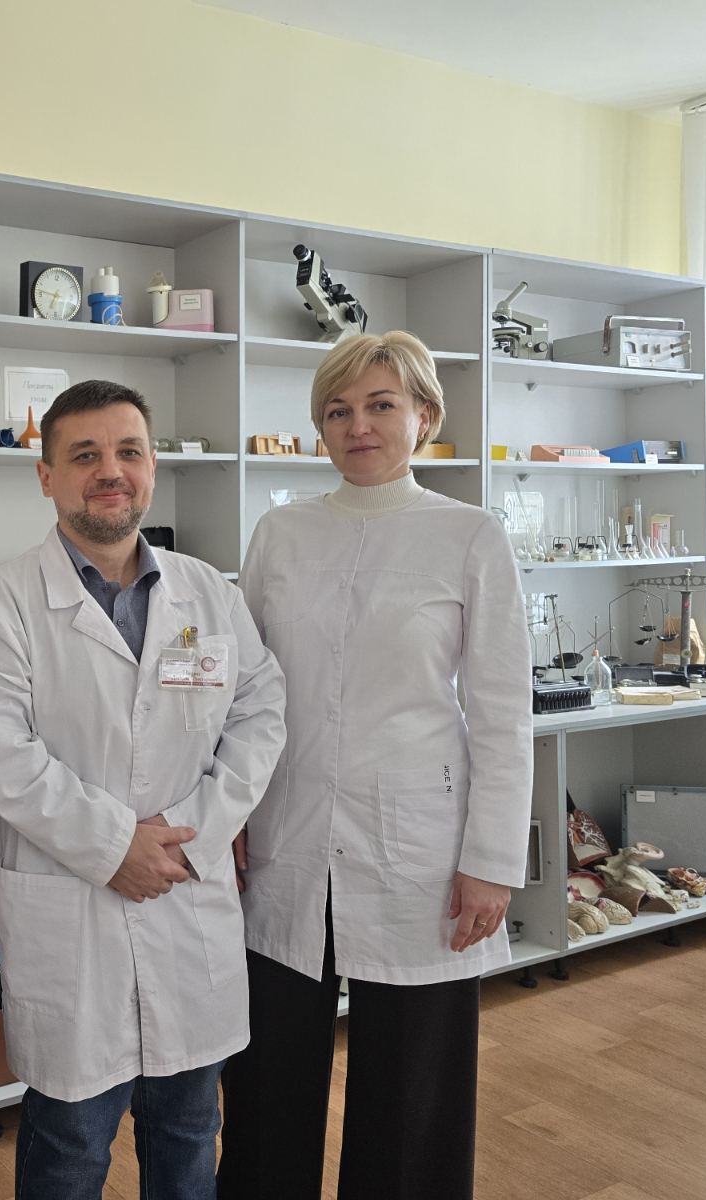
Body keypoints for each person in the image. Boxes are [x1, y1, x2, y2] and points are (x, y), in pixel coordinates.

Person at [0, 379, 287, 1200]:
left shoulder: (209, 593)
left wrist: (193, 831)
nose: (111, 471)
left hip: (185, 894)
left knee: (189, 1134)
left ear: (152, 468)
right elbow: (0, 754)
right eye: (85, 455)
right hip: (73, 917)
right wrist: (114, 847)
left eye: (129, 452)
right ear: (47, 476)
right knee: (69, 1149)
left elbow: (261, 713)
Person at [215, 331, 533, 1200]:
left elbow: (503, 716)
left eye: (380, 405)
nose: (358, 426)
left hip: (419, 849)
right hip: (286, 839)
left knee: (411, 1092)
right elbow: (243, 692)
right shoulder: (281, 533)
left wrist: (491, 862)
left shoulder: (469, 535)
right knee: (268, 1077)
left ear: (424, 417)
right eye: (338, 410)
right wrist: (228, 813)